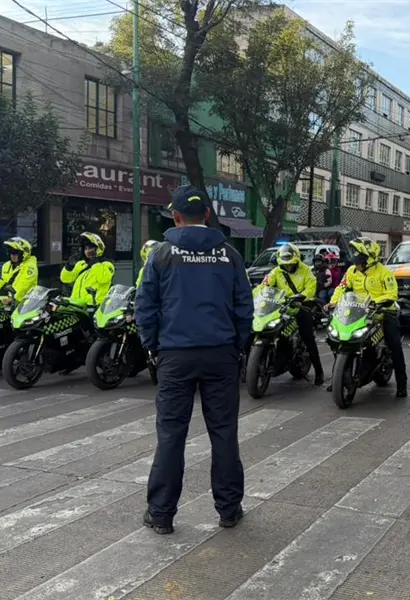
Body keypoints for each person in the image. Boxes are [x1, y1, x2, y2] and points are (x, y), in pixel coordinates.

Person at [135, 185, 253, 535]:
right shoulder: (229, 255)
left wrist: (153, 348)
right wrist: (238, 346)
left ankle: (161, 515)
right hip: (221, 354)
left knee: (171, 435)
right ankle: (229, 510)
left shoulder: (160, 255)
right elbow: (244, 306)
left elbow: (145, 307)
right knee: (224, 433)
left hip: (175, 355)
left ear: (175, 216)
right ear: (206, 215)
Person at [326, 236, 408, 397]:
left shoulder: (385, 273)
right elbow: (341, 288)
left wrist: (376, 303)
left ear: (370, 259)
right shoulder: (351, 271)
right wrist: (333, 303)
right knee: (336, 338)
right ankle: (339, 376)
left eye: (360, 259)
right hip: (356, 311)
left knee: (394, 346)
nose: (356, 262)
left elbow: (392, 294)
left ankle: (402, 384)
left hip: (383, 312)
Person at [254, 243, 324, 385]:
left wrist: (301, 297)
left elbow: (311, 288)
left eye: (291, 264)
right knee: (254, 328)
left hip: (299, 306)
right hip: (278, 307)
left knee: (307, 336)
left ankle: (319, 371)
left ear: (297, 261)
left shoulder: (306, 271)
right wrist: (255, 296)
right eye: (285, 265)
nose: (288, 267)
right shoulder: (275, 272)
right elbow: (263, 286)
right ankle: (244, 367)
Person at [60, 232, 114, 306]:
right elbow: (65, 279)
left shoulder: (107, 264)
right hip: (77, 305)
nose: (88, 251)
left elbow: (103, 279)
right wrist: (69, 266)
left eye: (91, 248)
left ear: (98, 248)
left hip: (94, 305)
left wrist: (94, 261)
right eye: (85, 248)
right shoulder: (82, 264)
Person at [0, 237, 37, 304]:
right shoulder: (7, 265)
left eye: (15, 253)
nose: (12, 255)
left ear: (24, 253)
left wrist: (12, 298)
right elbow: (2, 281)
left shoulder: (30, 267)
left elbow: (23, 285)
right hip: (8, 300)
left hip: (25, 303)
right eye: (10, 252)